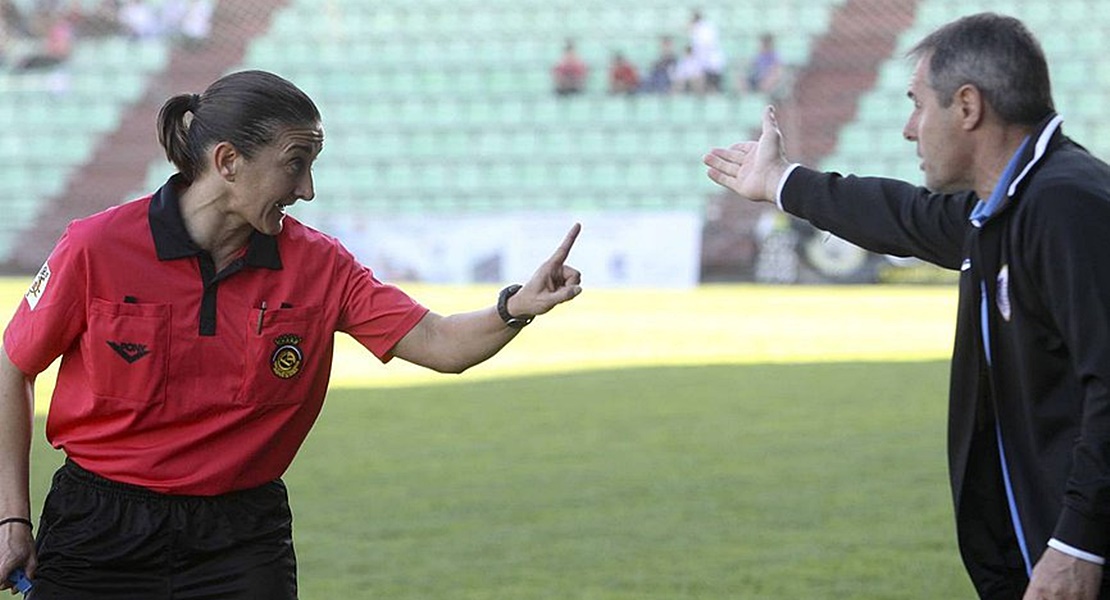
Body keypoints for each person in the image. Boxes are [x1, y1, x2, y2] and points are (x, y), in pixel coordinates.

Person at [0, 70, 583, 598]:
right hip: (100, 529)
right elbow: (13, 365)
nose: (307, 190)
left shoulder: (320, 265)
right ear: (228, 161)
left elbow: (439, 343)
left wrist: (516, 308)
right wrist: (12, 520)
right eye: (295, 162)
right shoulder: (95, 248)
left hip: (241, 538)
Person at [704, 12, 1110, 600]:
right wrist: (780, 182)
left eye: (918, 104)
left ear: (967, 107)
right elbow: (905, 217)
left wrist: (1078, 545)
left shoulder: (1065, 206)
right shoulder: (1007, 207)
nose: (908, 128)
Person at [688, 9, 725, 93]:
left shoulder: (701, 30)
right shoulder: (705, 27)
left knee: (712, 84)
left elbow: (704, 47)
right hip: (708, 61)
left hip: (711, 61)